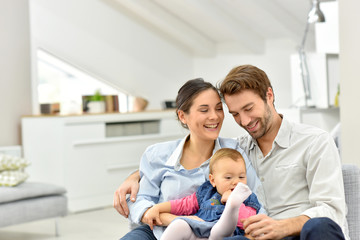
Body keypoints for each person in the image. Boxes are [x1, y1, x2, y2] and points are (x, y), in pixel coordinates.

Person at [114, 78, 264, 240]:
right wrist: (175, 220)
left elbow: (255, 198)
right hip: (159, 231)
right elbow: (140, 201)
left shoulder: (234, 151)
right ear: (182, 116)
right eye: (204, 110)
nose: (214, 116)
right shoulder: (157, 154)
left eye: (219, 109)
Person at [218, 64, 349, 240]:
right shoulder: (236, 151)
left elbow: (333, 211)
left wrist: (282, 226)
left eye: (249, 109)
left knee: (320, 225)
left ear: (269, 96)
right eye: (235, 114)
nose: (244, 121)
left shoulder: (315, 142)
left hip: (304, 235)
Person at [144, 148, 261, 240]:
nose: (236, 182)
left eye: (241, 177)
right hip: (199, 230)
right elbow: (182, 205)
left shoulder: (247, 197)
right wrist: (157, 208)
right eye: (228, 177)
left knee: (218, 231)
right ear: (213, 180)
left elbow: (248, 220)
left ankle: (232, 206)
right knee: (179, 224)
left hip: (225, 235)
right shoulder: (206, 192)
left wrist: (234, 202)